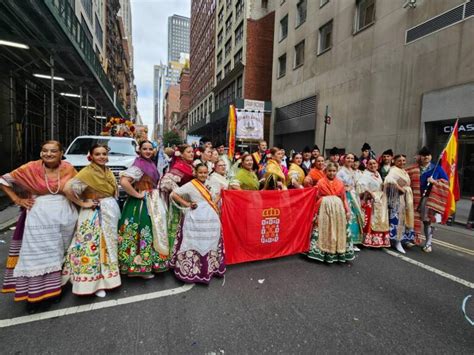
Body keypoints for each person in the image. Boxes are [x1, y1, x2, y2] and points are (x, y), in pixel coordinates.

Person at [0, 141, 77, 312]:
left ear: (61, 153)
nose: (48, 154)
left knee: (60, 253)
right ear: (41, 153)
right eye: (45, 151)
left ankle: (54, 292)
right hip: (39, 217)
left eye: (53, 151)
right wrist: (17, 199)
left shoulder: (68, 168)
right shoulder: (31, 168)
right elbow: (3, 180)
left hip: (66, 216)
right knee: (36, 255)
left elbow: (78, 187)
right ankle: (33, 297)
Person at [62, 144, 121, 298]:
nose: (101, 156)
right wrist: (83, 203)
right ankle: (93, 284)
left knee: (108, 245)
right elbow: (68, 188)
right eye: (97, 154)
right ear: (91, 156)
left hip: (108, 210)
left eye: (103, 154)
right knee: (94, 246)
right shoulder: (87, 172)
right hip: (94, 213)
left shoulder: (107, 170)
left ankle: (107, 280)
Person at [118, 140, 167, 278]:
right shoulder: (139, 164)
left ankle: (146, 263)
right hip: (141, 203)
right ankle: (139, 267)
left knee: (148, 231)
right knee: (142, 230)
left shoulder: (148, 163)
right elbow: (123, 182)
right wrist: (138, 195)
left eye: (150, 149)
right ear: (139, 150)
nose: (147, 151)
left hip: (151, 200)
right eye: (144, 149)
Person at [169, 164, 226, 283]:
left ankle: (209, 268)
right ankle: (191, 270)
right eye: (200, 172)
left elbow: (218, 196)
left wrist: (214, 203)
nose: (203, 175)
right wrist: (187, 204)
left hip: (211, 219)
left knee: (210, 242)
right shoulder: (190, 185)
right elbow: (174, 194)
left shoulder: (212, 183)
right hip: (195, 219)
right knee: (194, 242)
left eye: (205, 172)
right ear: (195, 172)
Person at [307, 162, 354, 263]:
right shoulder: (320, 182)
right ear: (326, 171)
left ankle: (336, 252)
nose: (332, 173)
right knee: (325, 229)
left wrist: (347, 211)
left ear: (336, 171)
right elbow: (315, 196)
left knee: (337, 230)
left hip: (338, 211)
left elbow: (344, 198)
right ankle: (321, 252)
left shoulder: (340, 183)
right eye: (329, 171)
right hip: (325, 210)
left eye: (334, 171)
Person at [405, 147, 449, 252]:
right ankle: (412, 238)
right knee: (412, 219)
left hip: (428, 198)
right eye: (424, 155)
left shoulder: (437, 168)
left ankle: (428, 243)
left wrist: (434, 182)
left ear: (431, 156)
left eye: (428, 155)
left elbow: (446, 183)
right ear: (420, 156)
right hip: (414, 197)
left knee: (427, 222)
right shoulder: (413, 168)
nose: (426, 157)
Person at [160, 144, 195, 267]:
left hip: (190, 203)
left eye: (192, 152)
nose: (192, 154)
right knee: (178, 230)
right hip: (180, 204)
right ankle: (176, 258)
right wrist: (181, 193)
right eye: (188, 152)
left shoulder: (191, 166)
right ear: (182, 154)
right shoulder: (179, 166)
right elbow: (165, 183)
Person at [384, 154, 415, 254]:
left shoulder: (404, 171)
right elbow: (388, 180)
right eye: (399, 161)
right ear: (394, 161)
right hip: (398, 199)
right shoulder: (393, 170)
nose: (402, 162)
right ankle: (397, 241)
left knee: (404, 219)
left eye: (403, 160)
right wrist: (399, 188)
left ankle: (401, 240)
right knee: (398, 220)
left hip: (406, 198)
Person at [356, 159, 390, 248]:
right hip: (370, 200)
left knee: (379, 220)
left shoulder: (377, 174)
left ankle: (377, 240)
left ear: (377, 164)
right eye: (370, 164)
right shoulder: (365, 175)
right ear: (367, 165)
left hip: (379, 200)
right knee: (371, 221)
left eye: (374, 163)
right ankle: (368, 239)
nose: (372, 165)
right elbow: (360, 185)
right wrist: (369, 193)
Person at [337, 153, 364, 251]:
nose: (350, 160)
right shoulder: (340, 171)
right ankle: (346, 241)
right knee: (349, 217)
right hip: (346, 196)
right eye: (348, 158)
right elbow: (338, 184)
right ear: (344, 159)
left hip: (354, 195)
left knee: (355, 218)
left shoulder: (353, 170)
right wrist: (345, 188)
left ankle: (353, 241)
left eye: (352, 158)